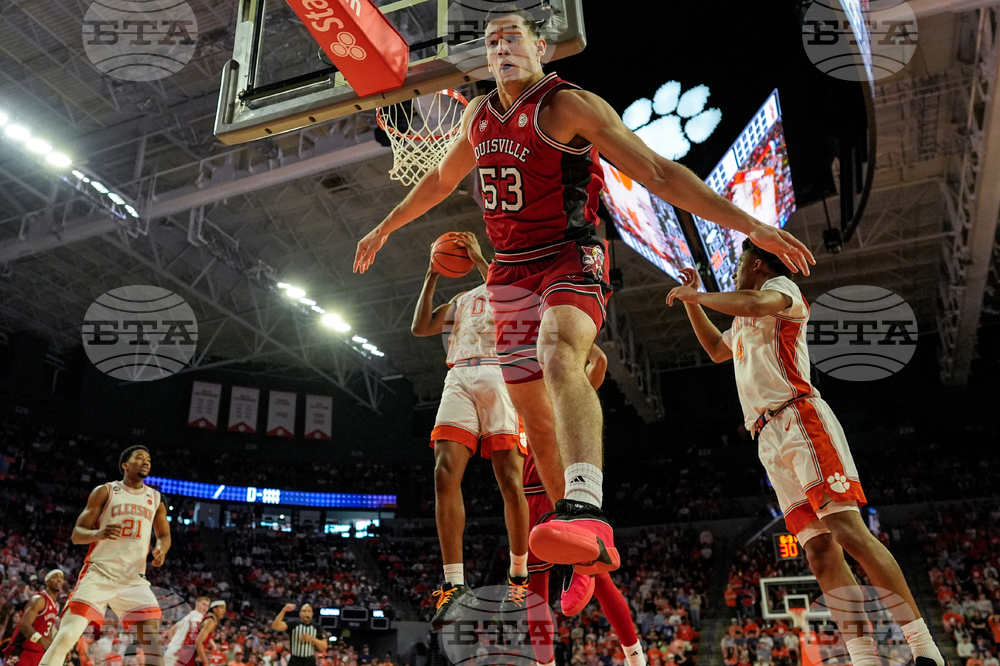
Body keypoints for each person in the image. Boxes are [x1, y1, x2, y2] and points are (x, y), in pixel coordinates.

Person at [354, 3, 814, 573]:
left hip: (570, 254)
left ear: (541, 48)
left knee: (557, 350)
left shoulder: (567, 104)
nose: (501, 48)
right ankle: (576, 542)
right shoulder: (475, 115)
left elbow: (659, 171)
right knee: (531, 413)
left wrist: (749, 223)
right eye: (492, 41)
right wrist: (383, 226)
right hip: (509, 270)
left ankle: (588, 509)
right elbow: (440, 180)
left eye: (513, 38)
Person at [668, 239, 945, 666]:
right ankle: (864, 657)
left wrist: (700, 294)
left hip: (799, 420)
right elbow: (716, 350)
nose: (736, 270)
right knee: (818, 552)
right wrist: (692, 303)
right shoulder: (744, 316)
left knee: (849, 531)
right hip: (766, 437)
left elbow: (754, 304)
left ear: (756, 264)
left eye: (740, 262)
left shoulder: (782, 289)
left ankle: (924, 647)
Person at [410, 231, 530, 627]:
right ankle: (454, 584)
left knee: (510, 482)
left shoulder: (516, 283)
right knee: (443, 473)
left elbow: (509, 300)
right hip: (459, 375)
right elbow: (421, 327)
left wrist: (480, 257)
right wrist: (431, 274)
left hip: (501, 375)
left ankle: (518, 570)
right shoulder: (462, 299)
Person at [521, 346, 647, 666]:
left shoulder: (565, 398)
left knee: (595, 577)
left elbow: (600, 362)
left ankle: (634, 655)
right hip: (529, 500)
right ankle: (633, 657)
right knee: (536, 589)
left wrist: (566, 337)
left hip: (562, 497)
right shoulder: (518, 407)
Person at [40, 446, 170, 666]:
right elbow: (76, 535)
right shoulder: (106, 491)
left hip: (133, 580)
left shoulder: (156, 499)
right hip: (99, 573)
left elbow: (164, 534)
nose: (146, 462)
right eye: (139, 458)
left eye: (148, 459)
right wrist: (97, 533)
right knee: (67, 636)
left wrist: (161, 549)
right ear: (125, 465)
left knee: (154, 650)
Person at [2, 570, 64, 666]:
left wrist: (58, 649)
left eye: (61, 578)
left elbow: (46, 633)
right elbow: (24, 626)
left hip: (38, 652)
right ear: (46, 581)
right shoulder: (39, 599)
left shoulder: (56, 605)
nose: (59, 580)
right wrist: (43, 642)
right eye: (55, 577)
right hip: (22, 649)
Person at [164, 598, 211, 666]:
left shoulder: (187, 616)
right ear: (197, 605)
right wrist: (211, 642)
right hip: (179, 654)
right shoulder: (198, 616)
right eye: (204, 604)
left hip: (170, 651)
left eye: (207, 606)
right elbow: (195, 628)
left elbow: (170, 632)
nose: (206, 608)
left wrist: (174, 643)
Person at [189, 602, 226, 666]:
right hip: (189, 652)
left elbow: (200, 633)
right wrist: (206, 663)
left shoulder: (210, 618)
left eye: (225, 609)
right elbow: (198, 642)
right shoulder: (210, 621)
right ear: (214, 609)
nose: (224, 611)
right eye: (222, 608)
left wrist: (211, 642)